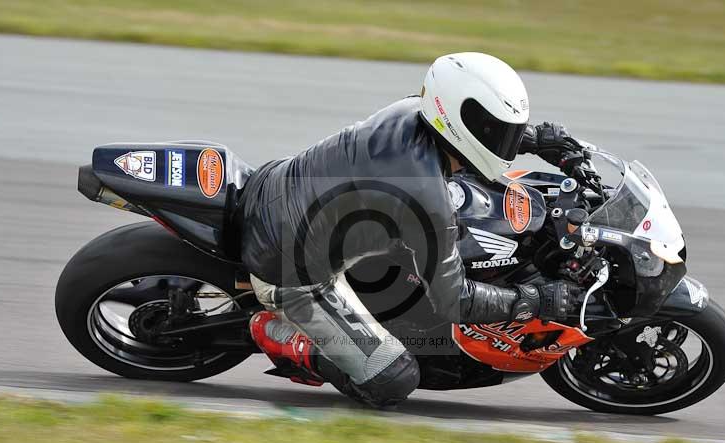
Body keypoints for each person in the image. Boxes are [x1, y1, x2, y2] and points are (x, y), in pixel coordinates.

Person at [237, 52, 582, 408]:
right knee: (394, 378)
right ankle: (276, 333)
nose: (506, 140)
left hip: (281, 191)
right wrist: (534, 301)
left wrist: (532, 139)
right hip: (290, 270)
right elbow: (455, 301)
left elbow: (472, 137)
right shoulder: (424, 194)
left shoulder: (413, 111)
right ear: (458, 116)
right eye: (500, 131)